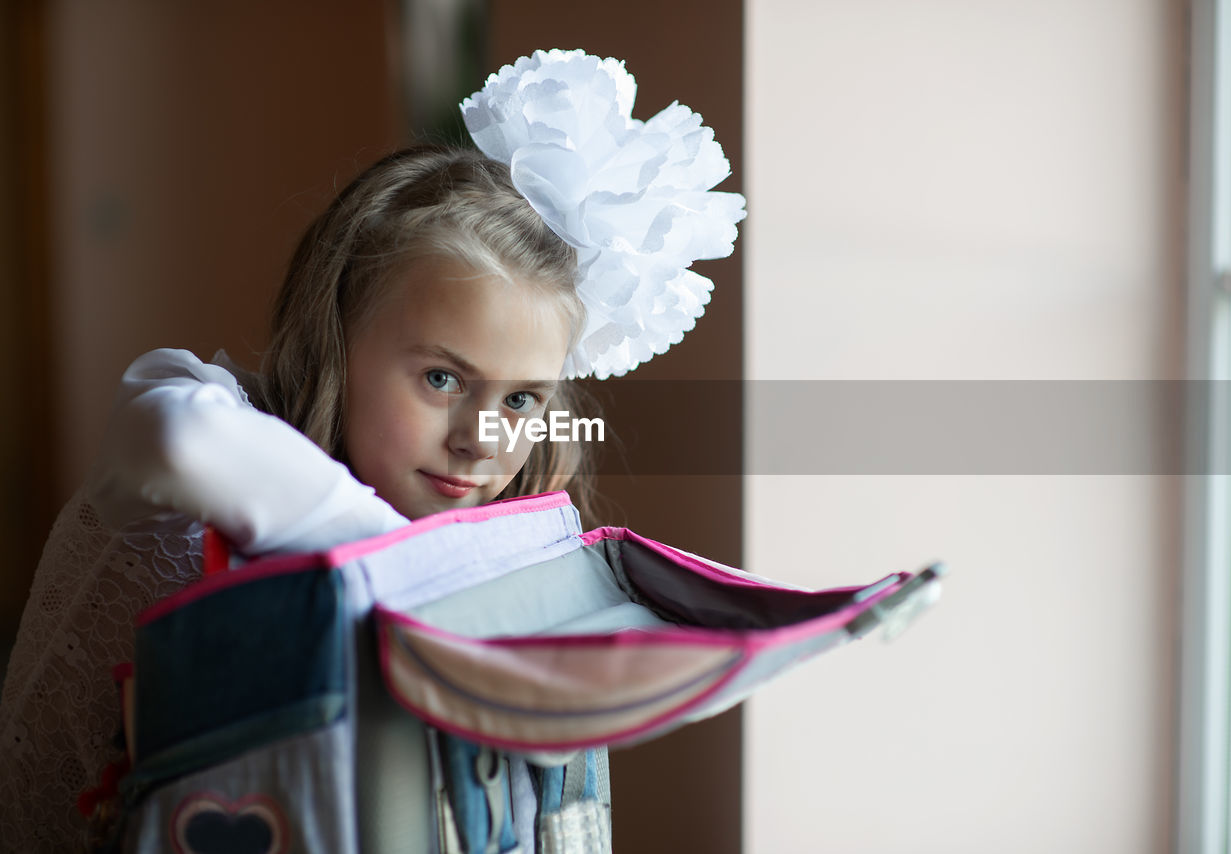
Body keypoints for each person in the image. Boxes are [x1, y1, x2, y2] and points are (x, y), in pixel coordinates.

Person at [0, 48, 744, 852]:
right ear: (334, 335)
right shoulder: (192, 412)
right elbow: (183, 445)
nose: (480, 438)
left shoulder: (500, 536)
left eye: (521, 399)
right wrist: (409, 563)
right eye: (439, 378)